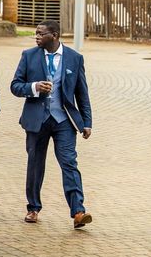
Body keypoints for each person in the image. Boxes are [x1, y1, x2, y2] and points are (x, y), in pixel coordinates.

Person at [10, 20, 93, 229]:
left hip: (63, 120)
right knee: (35, 165)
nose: (36, 37)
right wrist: (34, 86)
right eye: (36, 34)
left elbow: (82, 92)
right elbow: (15, 86)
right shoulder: (28, 56)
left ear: (54, 35)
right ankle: (33, 208)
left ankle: (78, 212)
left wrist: (87, 121)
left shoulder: (74, 58)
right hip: (37, 120)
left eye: (40, 33)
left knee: (69, 163)